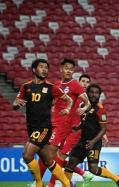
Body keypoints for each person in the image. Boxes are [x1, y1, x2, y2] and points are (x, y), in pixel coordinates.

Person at [13, 59, 72, 187]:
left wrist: (67, 109)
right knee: (47, 160)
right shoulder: (26, 86)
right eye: (41, 67)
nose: (45, 69)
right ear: (34, 69)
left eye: (46, 67)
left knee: (27, 155)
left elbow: (69, 100)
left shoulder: (51, 88)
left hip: (44, 128)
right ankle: (67, 184)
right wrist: (16, 104)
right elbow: (15, 104)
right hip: (31, 128)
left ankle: (39, 184)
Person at [38, 58, 91, 187]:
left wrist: (83, 108)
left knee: (53, 155)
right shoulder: (56, 85)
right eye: (66, 68)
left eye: (71, 69)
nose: (69, 71)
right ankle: (81, 175)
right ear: (61, 69)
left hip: (69, 128)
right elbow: (52, 101)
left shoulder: (75, 86)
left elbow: (88, 104)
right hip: (54, 124)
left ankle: (48, 184)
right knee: (49, 155)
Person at [64, 84, 119, 187]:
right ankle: (66, 185)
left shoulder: (100, 109)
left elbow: (103, 129)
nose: (93, 95)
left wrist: (93, 142)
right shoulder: (83, 106)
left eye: (96, 93)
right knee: (71, 163)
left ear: (99, 95)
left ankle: (117, 178)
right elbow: (85, 122)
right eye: (91, 92)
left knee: (93, 169)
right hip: (83, 140)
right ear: (87, 93)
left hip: (95, 142)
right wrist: (78, 127)